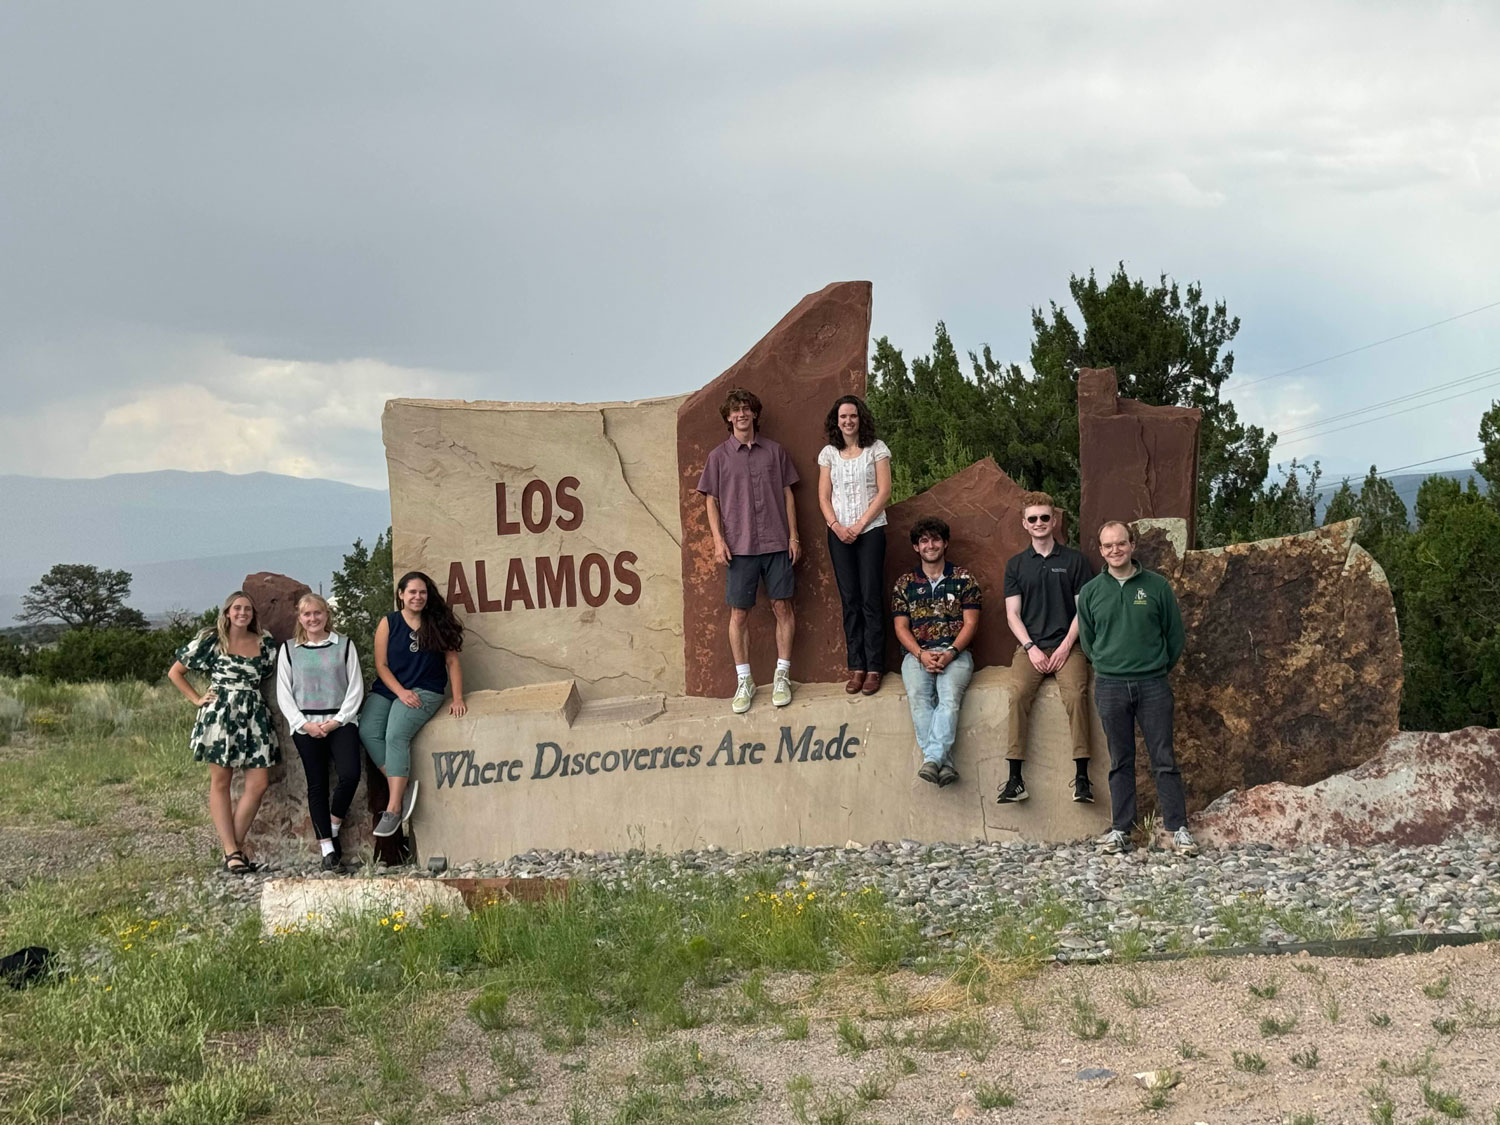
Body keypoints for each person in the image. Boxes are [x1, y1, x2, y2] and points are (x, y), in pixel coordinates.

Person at [1076, 520, 1198, 856]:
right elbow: (1088, 642)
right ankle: (1121, 830)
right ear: (1100, 550)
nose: (1115, 550)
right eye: (1107, 546)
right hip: (1110, 686)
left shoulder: (1157, 587)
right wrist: (1108, 664)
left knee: (1164, 758)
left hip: (1153, 684)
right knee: (1120, 760)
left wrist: (1155, 667)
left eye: (1121, 544)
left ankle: (1178, 829)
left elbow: (1175, 637)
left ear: (1132, 545)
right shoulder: (1090, 593)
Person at [696, 387, 801, 714]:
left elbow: (787, 494)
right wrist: (717, 540)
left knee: (782, 607)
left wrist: (794, 536)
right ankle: (745, 680)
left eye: (746, 409)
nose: (741, 414)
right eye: (735, 410)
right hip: (739, 548)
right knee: (739, 614)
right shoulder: (718, 457)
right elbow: (709, 500)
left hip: (776, 543)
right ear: (728, 417)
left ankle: (782, 674)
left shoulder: (775, 452)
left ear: (755, 414)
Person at [167, 590, 278, 875]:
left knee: (259, 782)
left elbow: (266, 673)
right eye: (237, 608)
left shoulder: (264, 642)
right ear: (227, 612)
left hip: (253, 714)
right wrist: (196, 699)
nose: (243, 613)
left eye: (248, 609)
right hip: (221, 714)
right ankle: (232, 851)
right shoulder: (212, 640)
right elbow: (175, 672)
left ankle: (233, 849)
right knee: (221, 782)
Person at [998, 492, 1097, 805]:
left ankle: (1082, 778)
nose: (1039, 523)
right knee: (1017, 696)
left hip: (1070, 645)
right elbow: (1012, 614)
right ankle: (1015, 779)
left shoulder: (1075, 561)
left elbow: (1084, 611)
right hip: (1032, 648)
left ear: (1054, 520)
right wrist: (1030, 648)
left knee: (1076, 696)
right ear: (1024, 524)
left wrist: (1067, 646)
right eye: (1032, 518)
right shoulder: (1016, 565)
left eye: (1044, 517)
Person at [360, 571, 467, 839]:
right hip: (391, 687)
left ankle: (394, 808)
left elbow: (452, 662)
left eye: (422, 592)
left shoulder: (438, 622)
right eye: (412, 592)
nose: (417, 597)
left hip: (426, 689)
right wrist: (400, 691)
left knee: (395, 734)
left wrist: (457, 698)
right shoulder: (389, 623)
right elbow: (381, 665)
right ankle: (401, 783)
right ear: (401, 595)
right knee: (368, 731)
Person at [275, 592, 364, 871]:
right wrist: (303, 724)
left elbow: (355, 687)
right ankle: (328, 850)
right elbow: (284, 692)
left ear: (326, 615)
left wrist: (338, 720)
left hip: (340, 722)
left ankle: (334, 825)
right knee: (317, 784)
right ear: (300, 618)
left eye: (318, 613)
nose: (313, 618)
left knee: (349, 774)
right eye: (307, 614)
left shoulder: (344, 646)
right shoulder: (289, 650)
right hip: (306, 725)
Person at [892, 517, 982, 787]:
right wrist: (920, 654)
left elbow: (971, 622)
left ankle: (932, 759)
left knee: (949, 699)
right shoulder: (905, 583)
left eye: (935, 539)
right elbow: (900, 626)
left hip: (956, 654)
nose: (930, 545)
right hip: (916, 655)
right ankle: (943, 763)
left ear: (945, 544)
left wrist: (952, 652)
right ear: (916, 548)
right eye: (924, 541)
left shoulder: (964, 578)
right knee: (919, 700)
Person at [817, 395, 892, 696]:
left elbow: (884, 491)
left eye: (853, 416)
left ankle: (874, 668)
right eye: (843, 417)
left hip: (870, 531)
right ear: (836, 421)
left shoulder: (877, 449)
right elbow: (823, 497)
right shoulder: (829, 454)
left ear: (861, 418)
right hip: (838, 534)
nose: (848, 421)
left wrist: (859, 526)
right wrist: (837, 526)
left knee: (871, 598)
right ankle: (856, 667)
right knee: (850, 600)